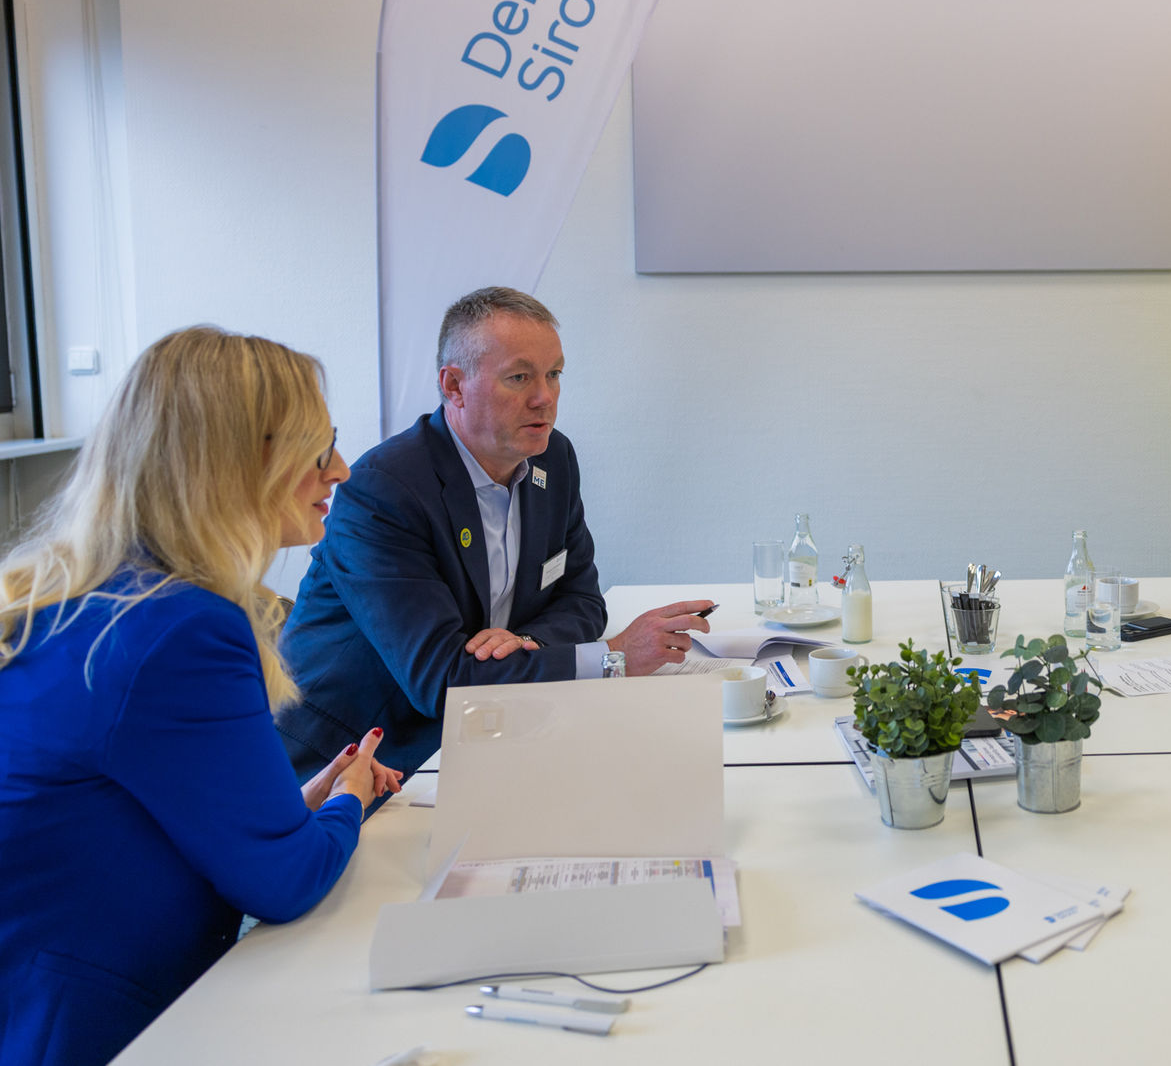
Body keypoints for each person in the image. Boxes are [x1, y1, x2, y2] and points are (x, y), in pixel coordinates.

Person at [0, 327, 401, 1066]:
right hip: (105, 1029)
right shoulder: (183, 627)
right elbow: (283, 884)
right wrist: (348, 798)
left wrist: (296, 805)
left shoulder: (82, 595)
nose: (340, 470)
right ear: (239, 464)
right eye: (319, 450)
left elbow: (131, 817)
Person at [276, 287, 713, 779]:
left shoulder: (552, 458)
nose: (544, 397)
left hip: (489, 733)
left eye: (554, 374)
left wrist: (522, 642)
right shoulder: (385, 490)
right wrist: (613, 658)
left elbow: (583, 602)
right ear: (454, 386)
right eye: (519, 377)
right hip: (359, 762)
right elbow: (441, 683)